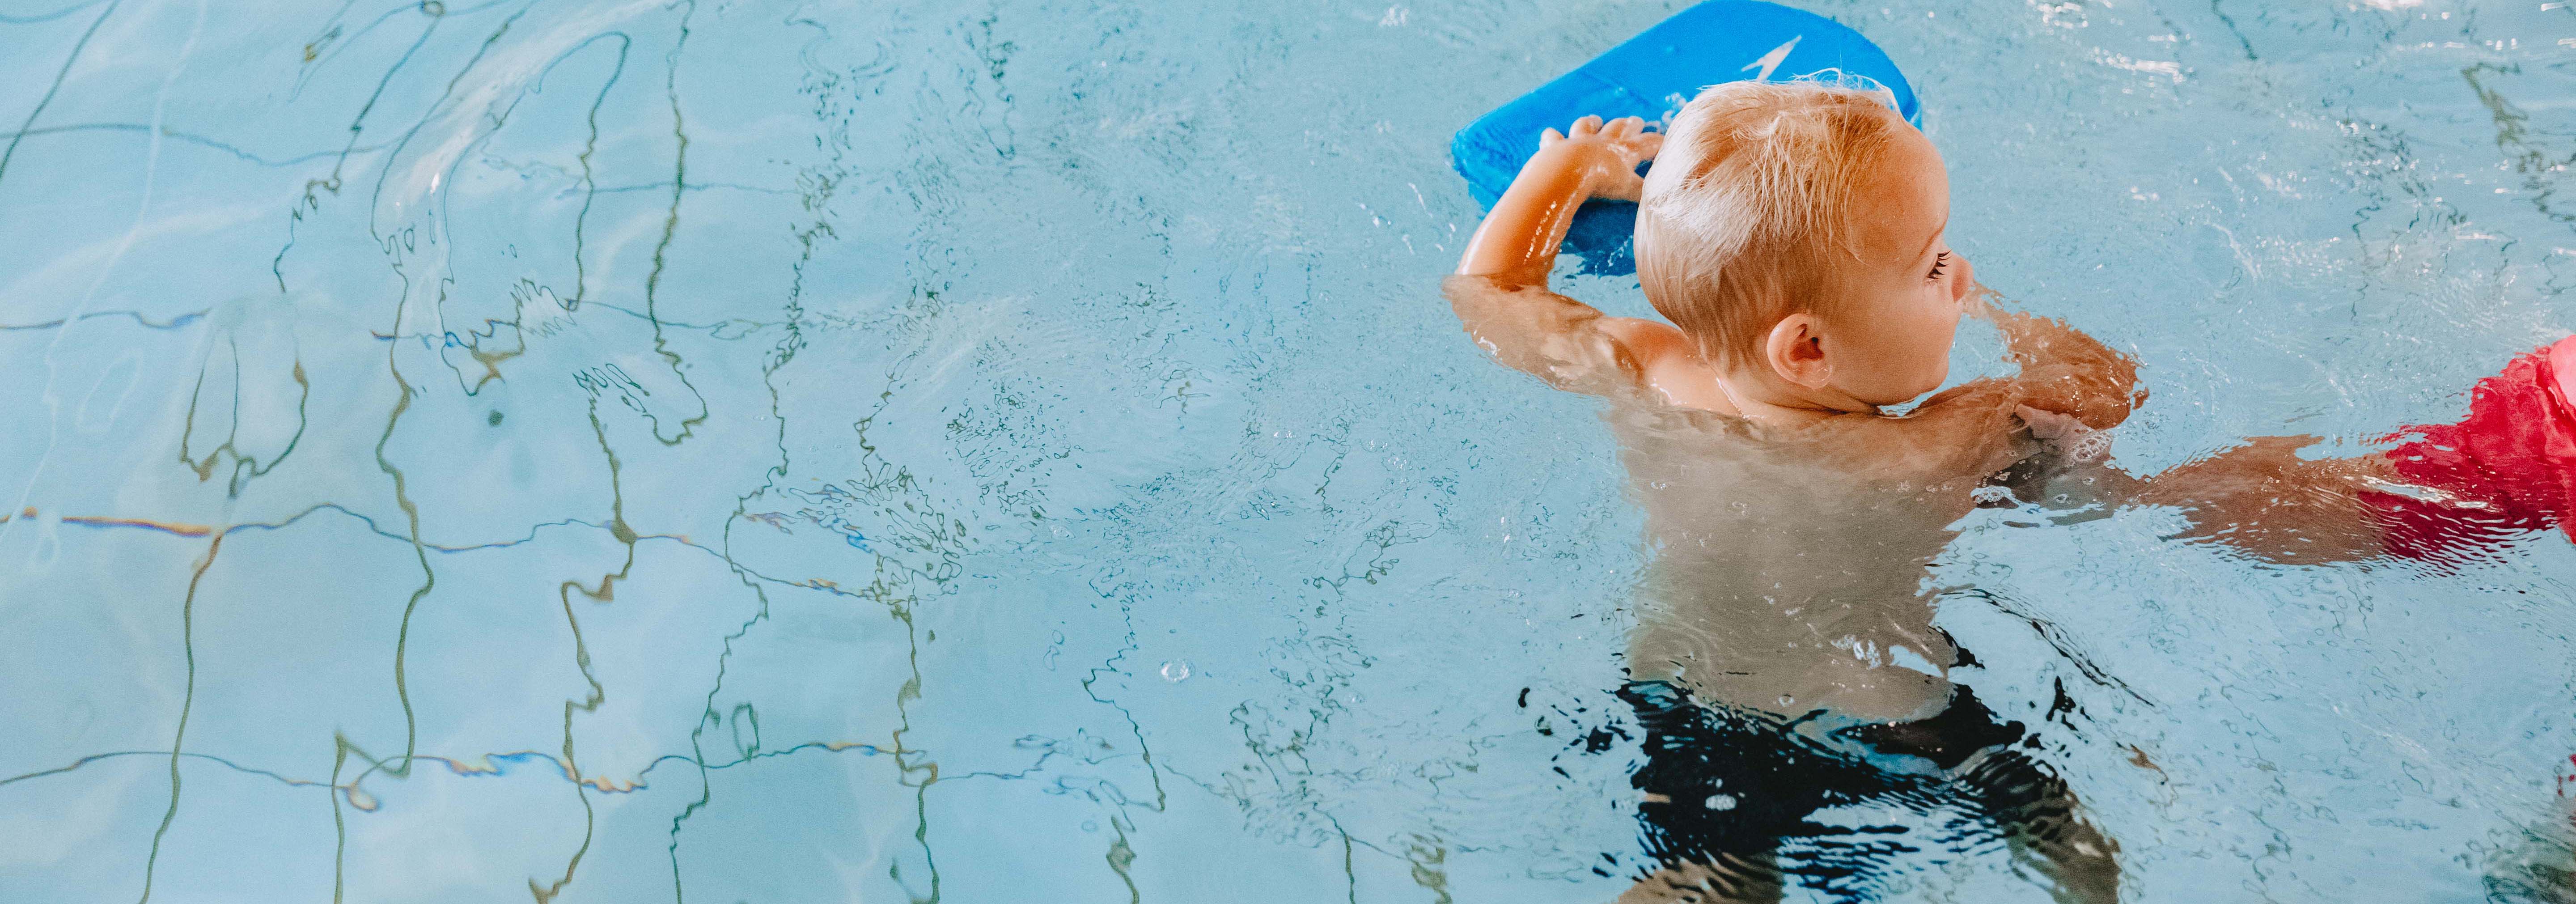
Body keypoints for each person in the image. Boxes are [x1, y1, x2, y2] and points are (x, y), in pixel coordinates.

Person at [1445, 81, 2130, 902]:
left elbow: (1489, 296)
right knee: (2064, 835)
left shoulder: (1643, 371)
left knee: (1714, 881)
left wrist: (1562, 171)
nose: (1961, 275)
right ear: (1807, 348)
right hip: (1900, 710)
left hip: (1699, 709)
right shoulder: (1940, 439)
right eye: (1937, 265)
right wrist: (1998, 310)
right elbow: (2102, 389)